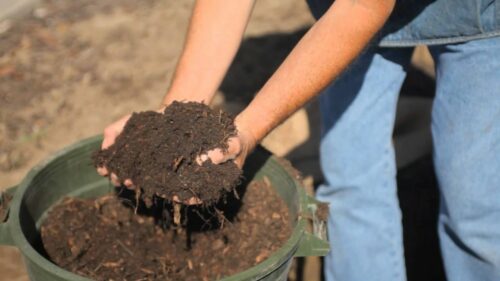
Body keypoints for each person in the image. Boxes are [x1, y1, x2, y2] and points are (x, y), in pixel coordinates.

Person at [97, 0, 500, 280]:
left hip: (475, 20)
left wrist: (250, 128)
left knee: (475, 210)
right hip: (346, 12)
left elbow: (363, 7)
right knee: (348, 180)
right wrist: (170, 120)